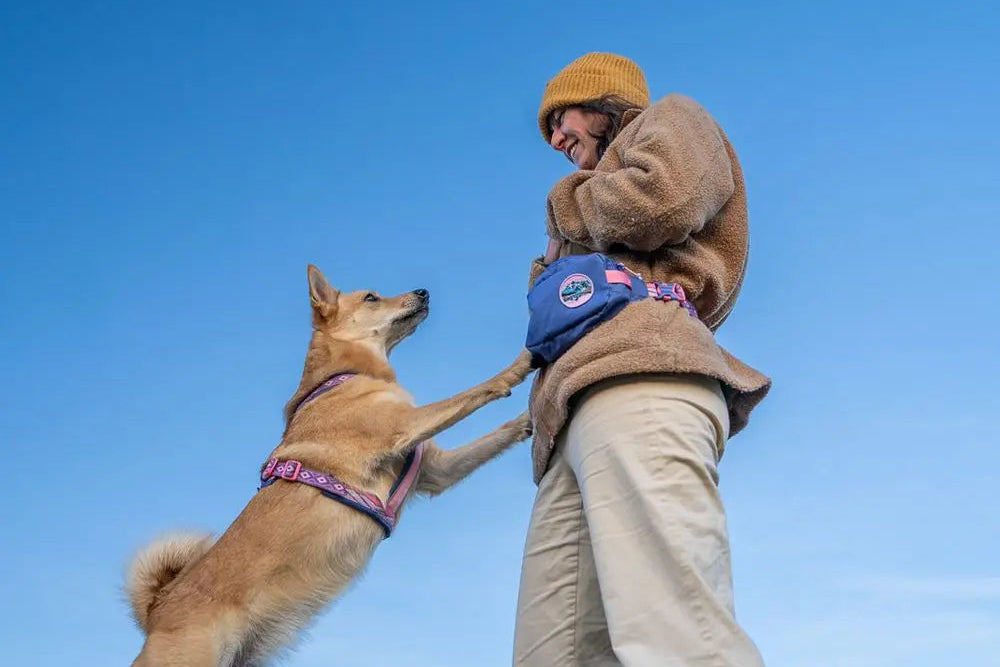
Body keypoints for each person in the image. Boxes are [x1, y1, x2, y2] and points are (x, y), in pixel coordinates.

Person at [513, 53, 772, 666]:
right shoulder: (594, 193)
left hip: (641, 379)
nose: (554, 139)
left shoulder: (671, 120)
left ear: (602, 101)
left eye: (561, 119)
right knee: (551, 655)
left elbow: (664, 199)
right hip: (565, 421)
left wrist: (563, 205)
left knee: (675, 637)